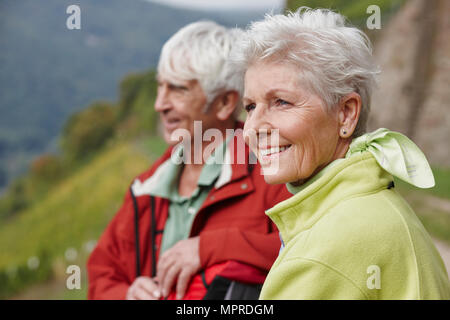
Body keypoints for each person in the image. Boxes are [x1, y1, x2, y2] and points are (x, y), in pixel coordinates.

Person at [234, 8, 450, 299]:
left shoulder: (325, 250)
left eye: (282, 102)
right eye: (250, 107)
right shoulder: (372, 204)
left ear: (346, 114)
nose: (253, 128)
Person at [87, 21, 291, 300]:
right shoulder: (146, 187)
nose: (160, 103)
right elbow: (102, 273)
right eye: (160, 87)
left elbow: (307, 254)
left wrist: (211, 247)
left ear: (224, 103)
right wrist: (126, 294)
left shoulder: (274, 169)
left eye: (178, 89)